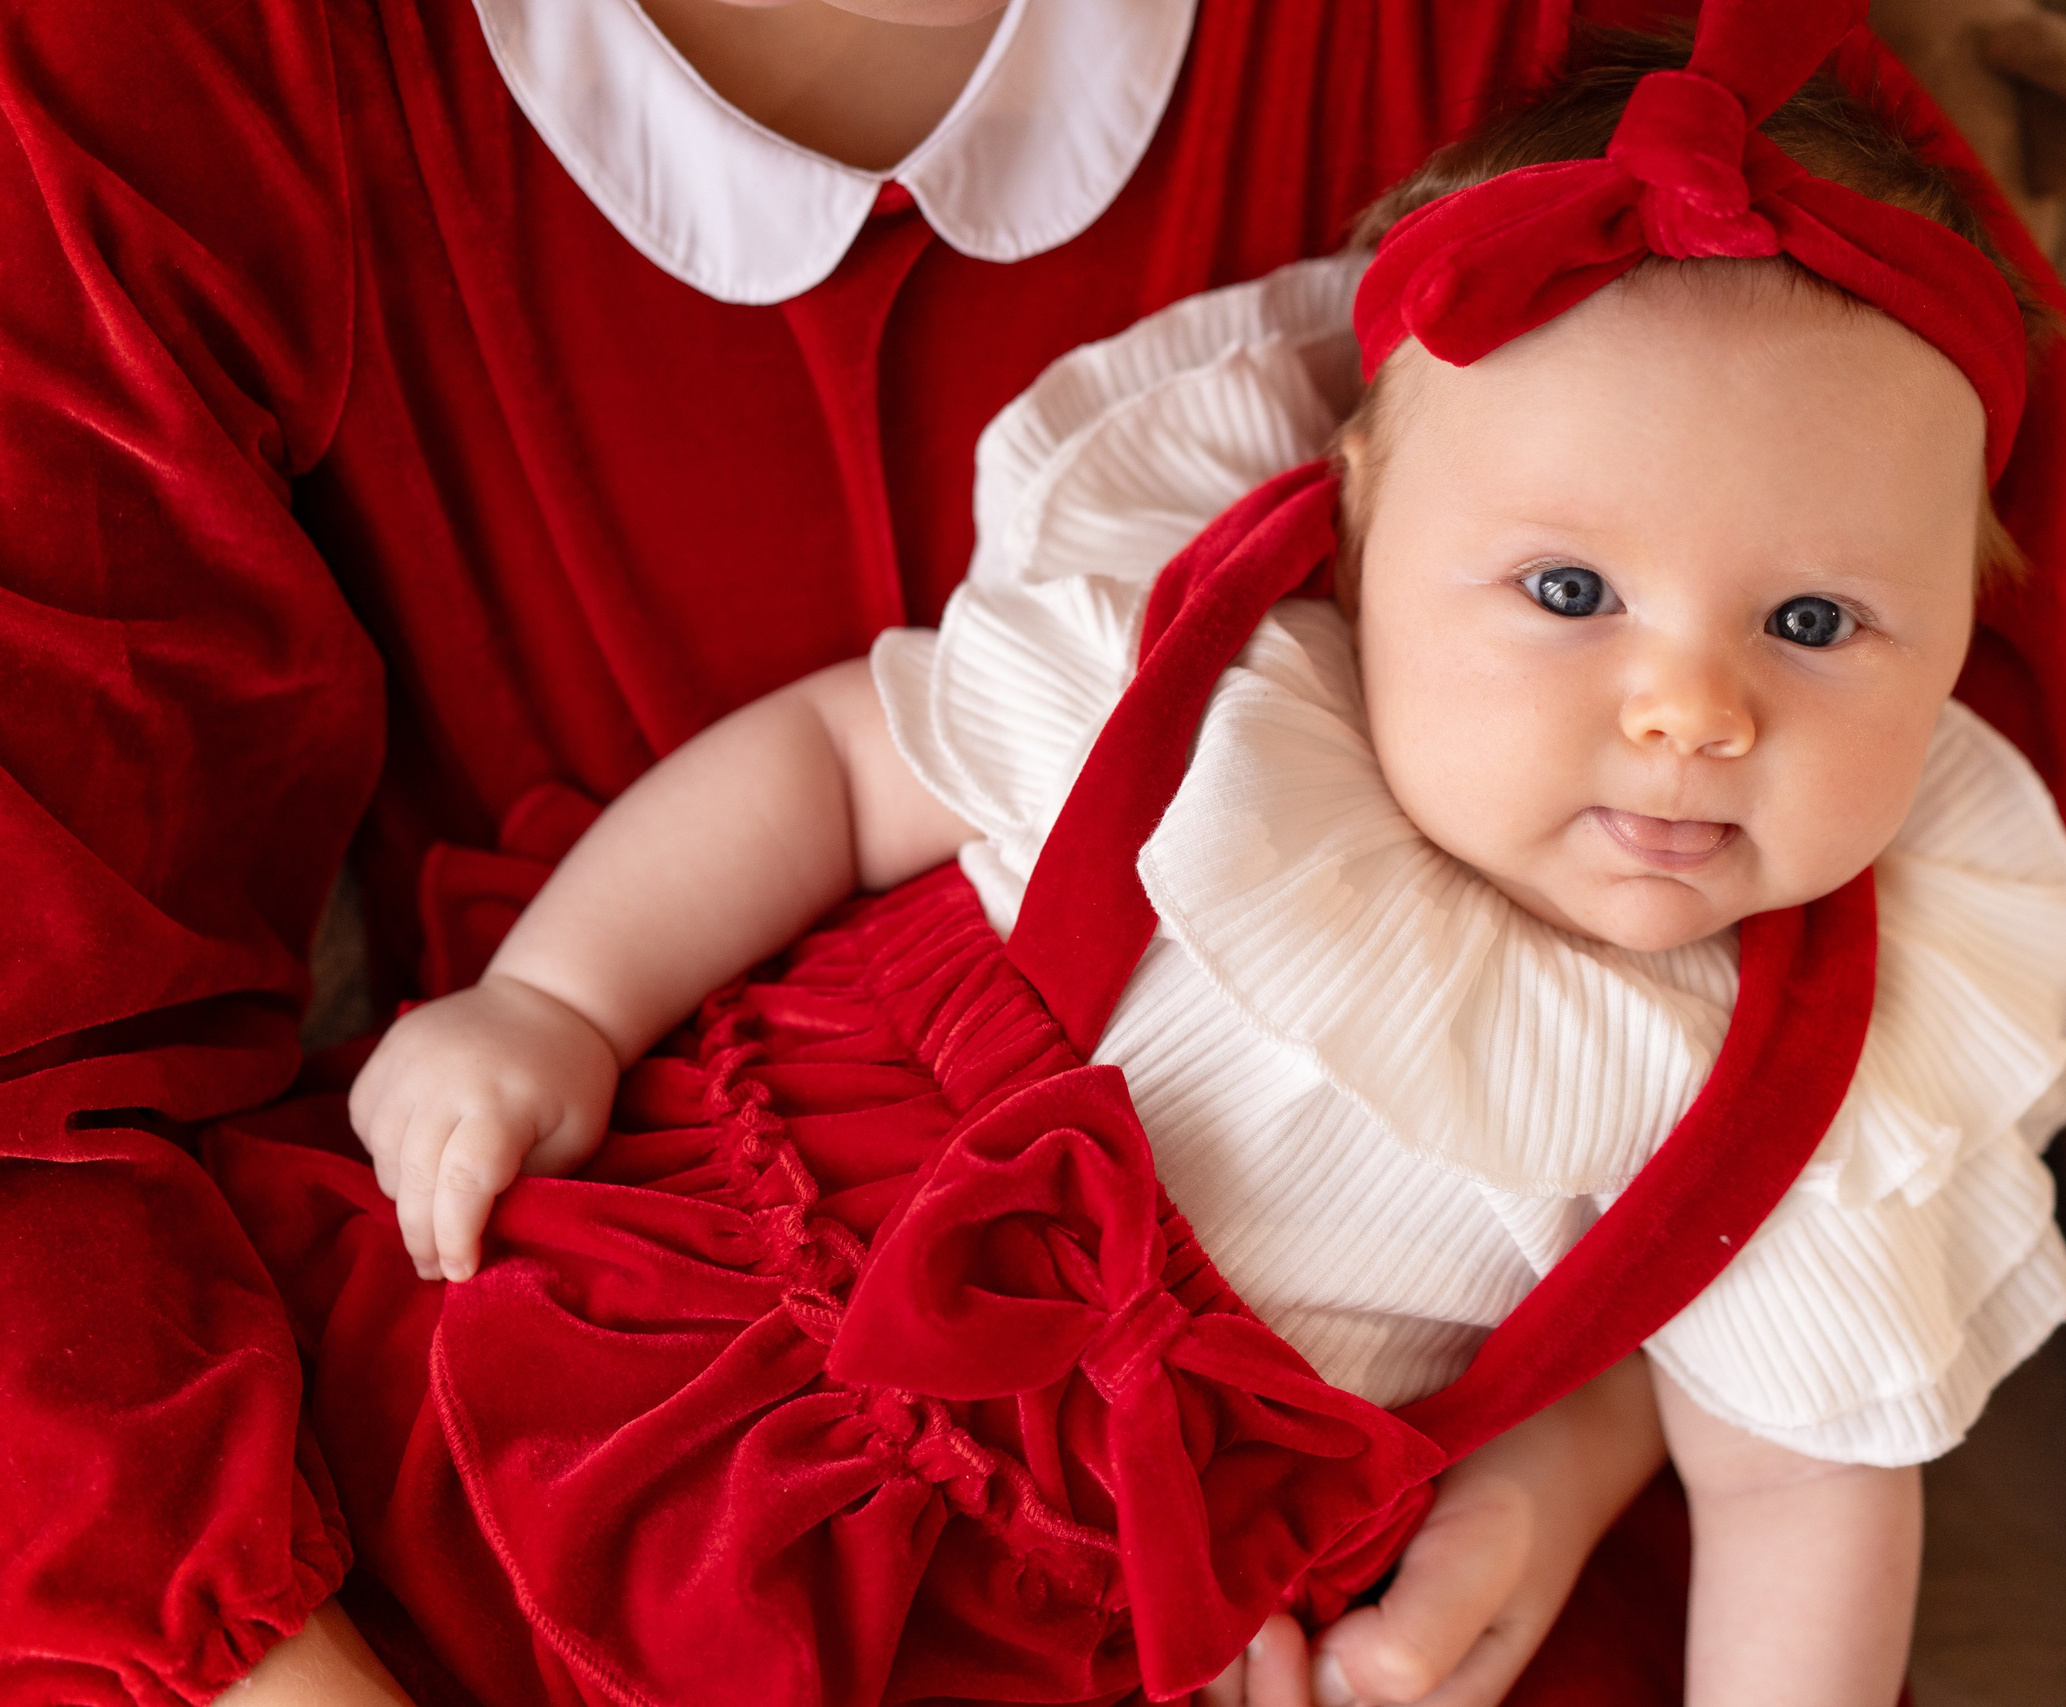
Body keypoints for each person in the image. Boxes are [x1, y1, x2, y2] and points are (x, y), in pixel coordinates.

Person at [207, 7, 2066, 1703]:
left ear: (1960, 640)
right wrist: (557, 996)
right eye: (1564, 587)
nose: (1687, 709)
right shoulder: (1212, 676)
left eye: (1810, 626)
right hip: (706, 1264)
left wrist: (1573, 1463)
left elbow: (1799, 1494)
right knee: (411, 1471)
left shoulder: (1818, 1070)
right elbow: (831, 765)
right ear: (1352, 525)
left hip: (1119, 1584)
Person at [0, 0, 1695, 1700]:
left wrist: (1595, 1405)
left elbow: (1906, 678)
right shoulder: (165, 77)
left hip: (1412, 1450)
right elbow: (35, 1064)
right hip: (540, 1365)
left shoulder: (1592, 52)